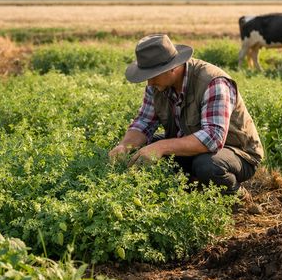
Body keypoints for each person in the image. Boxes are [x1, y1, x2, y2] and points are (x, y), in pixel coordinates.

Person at [108, 34, 264, 194]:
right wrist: (125, 146)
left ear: (172, 68)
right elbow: (144, 122)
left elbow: (213, 138)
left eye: (153, 75)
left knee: (207, 165)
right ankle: (190, 187)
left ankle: (237, 194)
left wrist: (161, 147)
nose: (149, 83)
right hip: (190, 143)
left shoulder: (213, 82)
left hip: (235, 152)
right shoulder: (156, 85)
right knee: (138, 150)